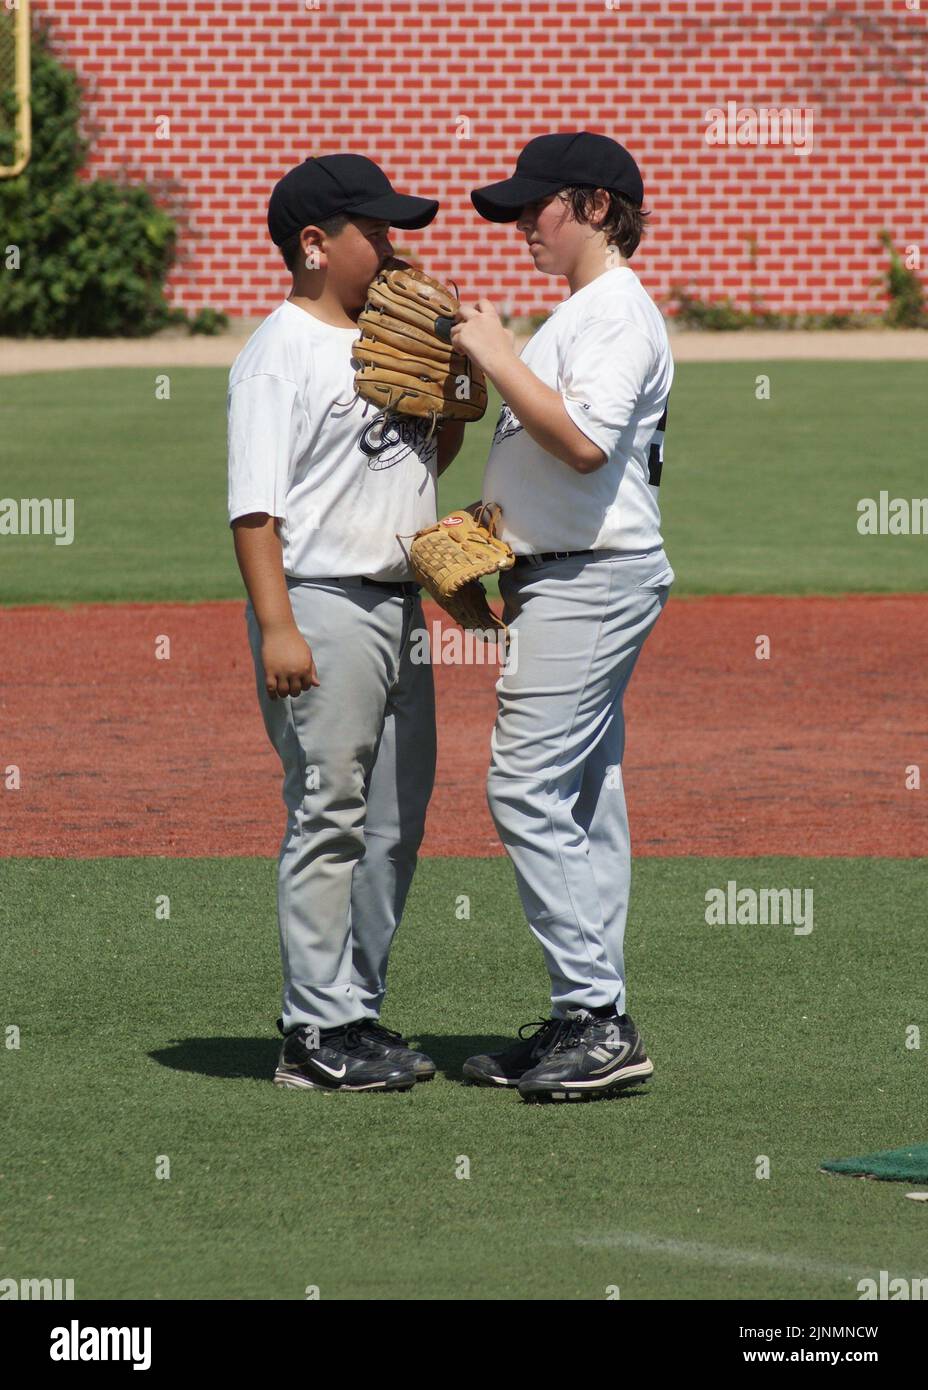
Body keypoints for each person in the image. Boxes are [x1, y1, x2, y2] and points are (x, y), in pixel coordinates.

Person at [227, 154, 466, 1093]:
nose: (397, 250)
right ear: (318, 246)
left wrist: (450, 396)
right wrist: (278, 626)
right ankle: (312, 1032)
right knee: (330, 815)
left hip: (403, 603)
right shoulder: (276, 354)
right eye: (380, 233)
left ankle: (355, 1011)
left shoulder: (385, 339)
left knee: (397, 821)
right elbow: (256, 511)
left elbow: (424, 453)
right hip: (321, 602)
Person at [451, 132, 674, 1102]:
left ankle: (596, 1016)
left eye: (533, 209)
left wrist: (496, 354)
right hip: (561, 572)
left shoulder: (616, 312)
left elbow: (584, 444)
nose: (519, 227)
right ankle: (584, 1011)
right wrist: (484, 540)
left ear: (591, 205)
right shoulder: (578, 313)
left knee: (523, 785)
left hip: (594, 578)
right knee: (584, 800)